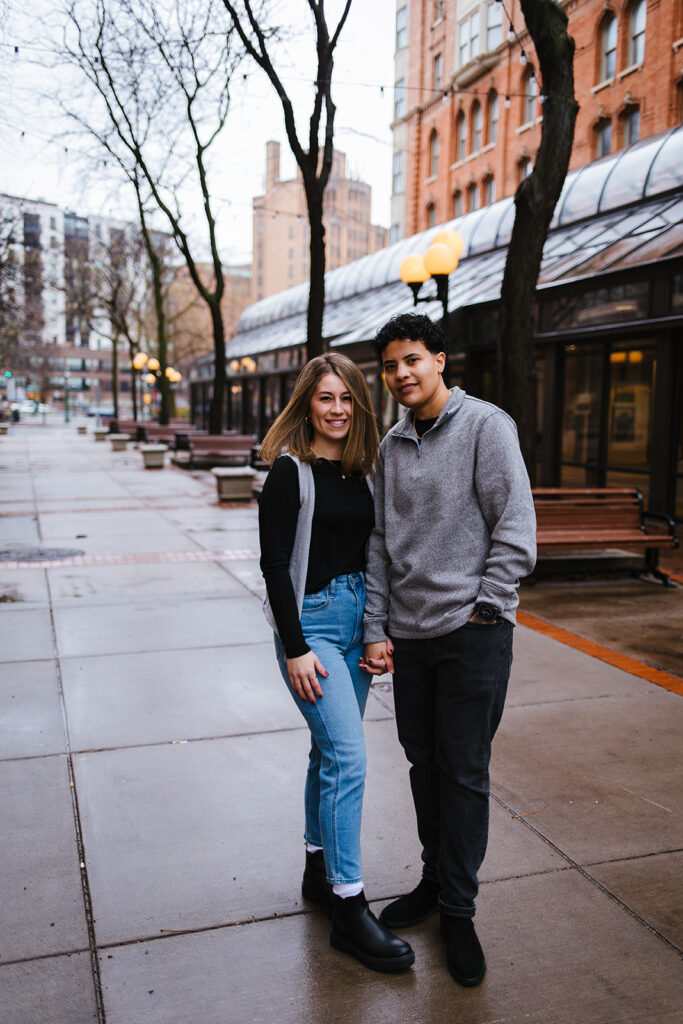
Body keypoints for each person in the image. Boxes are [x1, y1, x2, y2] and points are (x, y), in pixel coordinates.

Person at [361, 313, 536, 987]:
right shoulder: (391, 446)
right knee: (423, 765)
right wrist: (376, 626)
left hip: (472, 636)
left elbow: (515, 526)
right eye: (389, 365)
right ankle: (434, 883)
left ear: (439, 360)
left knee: (462, 774)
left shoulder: (485, 427)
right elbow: (379, 543)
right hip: (409, 638)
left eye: (411, 360)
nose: (400, 373)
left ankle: (458, 912)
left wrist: (484, 609)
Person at [258, 352, 415, 973]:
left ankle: (316, 869)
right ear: (307, 404)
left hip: (355, 626)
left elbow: (374, 555)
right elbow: (274, 569)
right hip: (313, 627)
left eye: (348, 397)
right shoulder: (289, 474)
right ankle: (349, 909)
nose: (339, 409)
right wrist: (295, 647)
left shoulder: (364, 474)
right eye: (326, 398)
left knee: (328, 753)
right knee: (349, 757)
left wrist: (375, 632)